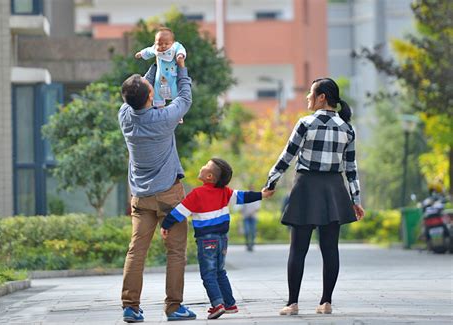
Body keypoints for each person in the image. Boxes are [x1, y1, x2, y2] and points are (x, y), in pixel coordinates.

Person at [266, 78, 365, 316]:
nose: (308, 98)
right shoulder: (346, 128)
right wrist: (356, 199)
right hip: (334, 189)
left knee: (297, 249)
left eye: (311, 94)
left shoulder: (306, 123)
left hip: (306, 187)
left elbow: (287, 157)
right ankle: (326, 302)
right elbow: (351, 168)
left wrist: (271, 181)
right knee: (330, 249)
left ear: (322, 97)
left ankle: (292, 303)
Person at [118, 54, 196, 322]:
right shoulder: (165, 118)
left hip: (140, 197)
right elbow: (185, 98)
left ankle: (130, 306)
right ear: (150, 96)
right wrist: (180, 68)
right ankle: (174, 308)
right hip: (169, 196)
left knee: (136, 250)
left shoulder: (125, 115)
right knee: (175, 251)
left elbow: (141, 89)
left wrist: (158, 61)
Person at [160, 158, 274, 319]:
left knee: (208, 274)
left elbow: (179, 211)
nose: (202, 166)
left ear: (209, 177)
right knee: (220, 271)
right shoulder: (225, 192)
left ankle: (217, 304)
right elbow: (243, 196)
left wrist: (165, 225)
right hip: (222, 239)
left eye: (206, 166)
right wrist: (262, 195)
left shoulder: (197, 194)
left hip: (206, 240)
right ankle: (229, 304)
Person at [135, 27, 186, 108]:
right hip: (160, 76)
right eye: (160, 43)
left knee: (175, 91)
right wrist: (141, 53)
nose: (163, 46)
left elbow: (181, 49)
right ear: (155, 43)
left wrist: (180, 55)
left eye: (166, 43)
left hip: (172, 75)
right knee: (157, 90)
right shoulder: (155, 49)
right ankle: (160, 107)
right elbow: (149, 51)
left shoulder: (175, 46)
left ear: (172, 42)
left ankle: (177, 110)